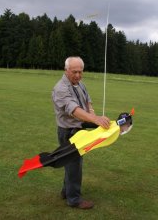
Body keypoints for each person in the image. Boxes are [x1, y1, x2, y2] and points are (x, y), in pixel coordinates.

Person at [52, 56, 110, 209]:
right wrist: (94, 119)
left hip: (80, 128)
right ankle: (74, 199)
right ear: (66, 70)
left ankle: (66, 192)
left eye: (80, 72)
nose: (77, 75)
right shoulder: (61, 89)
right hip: (68, 131)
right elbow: (74, 110)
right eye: (74, 72)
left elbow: (87, 101)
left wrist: (93, 114)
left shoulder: (80, 85)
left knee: (70, 163)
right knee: (74, 165)